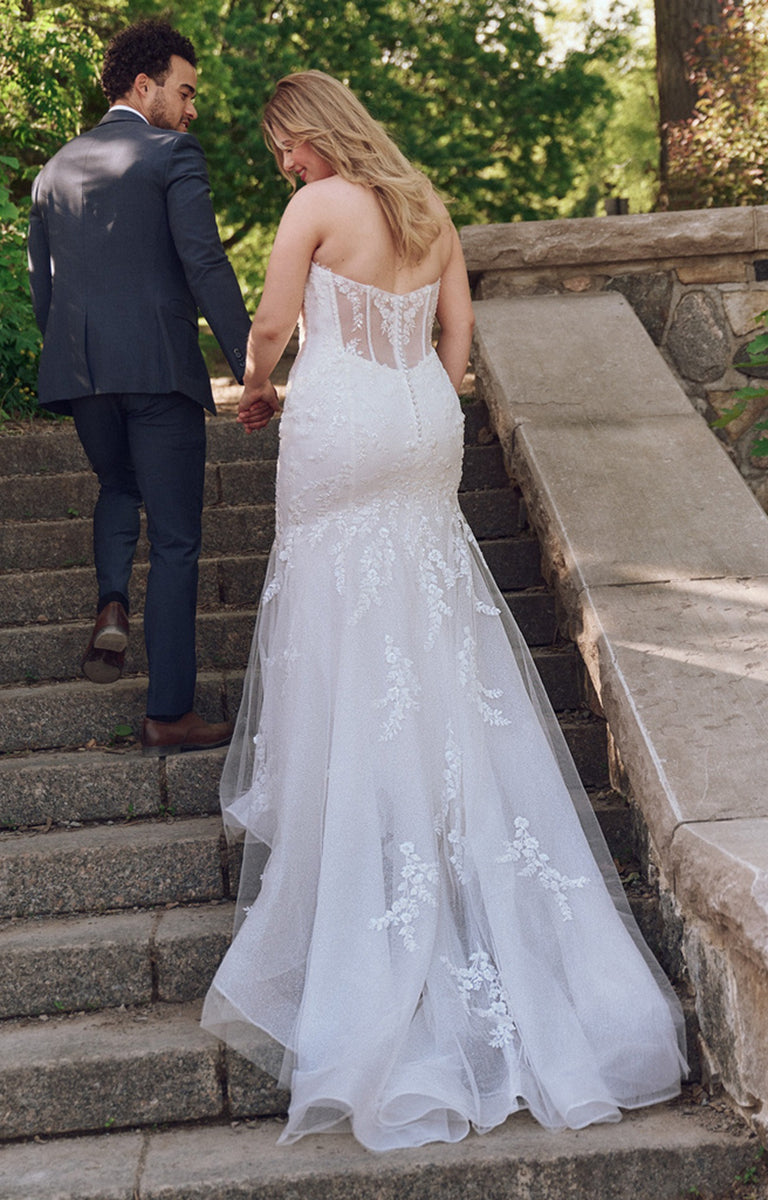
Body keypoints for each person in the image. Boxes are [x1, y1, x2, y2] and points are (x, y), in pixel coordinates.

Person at [201, 71, 687, 1151]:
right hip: (422, 417)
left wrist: (260, 381)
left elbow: (275, 321)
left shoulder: (318, 208)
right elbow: (458, 343)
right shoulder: (423, 205)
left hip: (341, 420)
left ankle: (367, 833)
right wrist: (423, 398)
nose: (282, 163)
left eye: (284, 144)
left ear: (313, 133)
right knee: (431, 608)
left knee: (336, 604)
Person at [27, 20, 251, 756]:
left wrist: (73, 361)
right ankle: (168, 712)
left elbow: (44, 290)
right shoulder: (170, 153)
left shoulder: (53, 169)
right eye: (185, 92)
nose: (192, 110)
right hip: (159, 370)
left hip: (84, 374)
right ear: (143, 84)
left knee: (118, 485)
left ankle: (111, 601)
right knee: (180, 540)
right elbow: (205, 263)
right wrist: (252, 365)